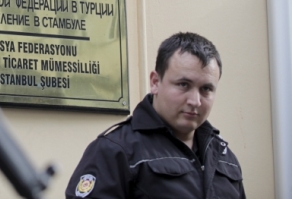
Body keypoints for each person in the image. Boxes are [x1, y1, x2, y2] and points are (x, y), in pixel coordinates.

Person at [65, 32, 245, 199]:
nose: (195, 101)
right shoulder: (116, 151)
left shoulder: (223, 156)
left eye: (206, 89)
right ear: (155, 82)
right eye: (183, 84)